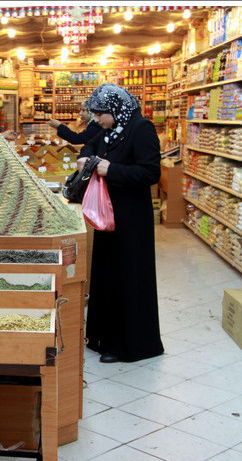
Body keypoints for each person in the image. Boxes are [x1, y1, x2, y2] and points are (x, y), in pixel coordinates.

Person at [78, 83, 164, 363]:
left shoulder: (141, 128)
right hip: (109, 216)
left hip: (131, 219)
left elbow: (150, 172)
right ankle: (104, 338)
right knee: (107, 274)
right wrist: (85, 156)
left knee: (128, 276)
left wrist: (110, 169)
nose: (97, 120)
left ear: (116, 109)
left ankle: (129, 344)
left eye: (101, 114)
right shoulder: (109, 129)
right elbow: (92, 141)